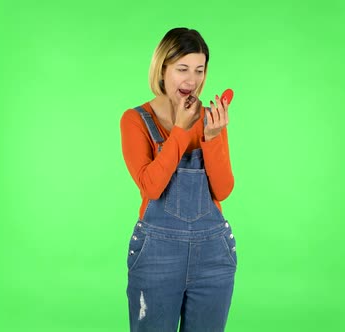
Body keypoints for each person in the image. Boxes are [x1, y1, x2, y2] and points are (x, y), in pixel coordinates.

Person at [120, 27, 237, 332]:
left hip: (213, 256)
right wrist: (182, 131)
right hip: (156, 256)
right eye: (182, 69)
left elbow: (222, 190)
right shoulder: (135, 120)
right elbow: (151, 186)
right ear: (162, 69)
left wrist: (211, 137)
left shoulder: (210, 120)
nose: (192, 80)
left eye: (199, 70)